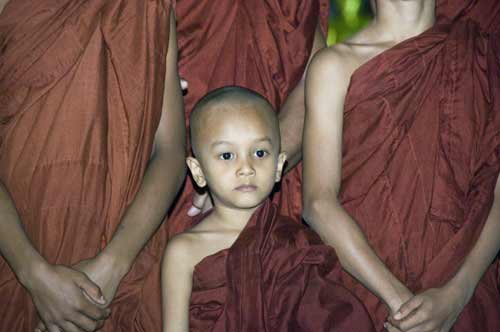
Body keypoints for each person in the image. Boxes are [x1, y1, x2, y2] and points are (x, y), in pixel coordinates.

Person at [302, 0, 500, 331]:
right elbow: (318, 203)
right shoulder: (334, 66)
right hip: (366, 289)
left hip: (464, 290)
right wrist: (403, 305)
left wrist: (455, 295)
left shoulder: (482, 56)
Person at [0, 1, 185, 331]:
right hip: (15, 244)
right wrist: (33, 272)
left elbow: (170, 151)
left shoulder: (150, 7)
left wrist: (112, 266)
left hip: (119, 243)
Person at [162, 86, 374, 332]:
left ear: (278, 166)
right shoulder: (183, 251)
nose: (246, 168)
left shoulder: (297, 242)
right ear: (198, 172)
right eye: (227, 155)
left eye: (260, 152)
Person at [167, 0, 329, 231]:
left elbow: (314, 80)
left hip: (271, 168)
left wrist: (256, 163)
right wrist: (212, 172)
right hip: (178, 167)